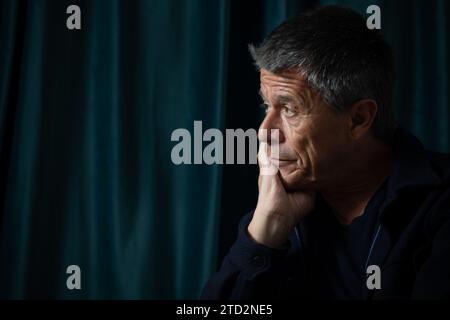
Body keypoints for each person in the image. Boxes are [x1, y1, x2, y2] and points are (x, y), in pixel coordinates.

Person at [201, 5, 450, 299]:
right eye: (267, 106)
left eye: (290, 109)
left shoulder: (440, 207)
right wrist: (264, 233)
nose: (264, 132)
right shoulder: (278, 209)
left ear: (358, 119)